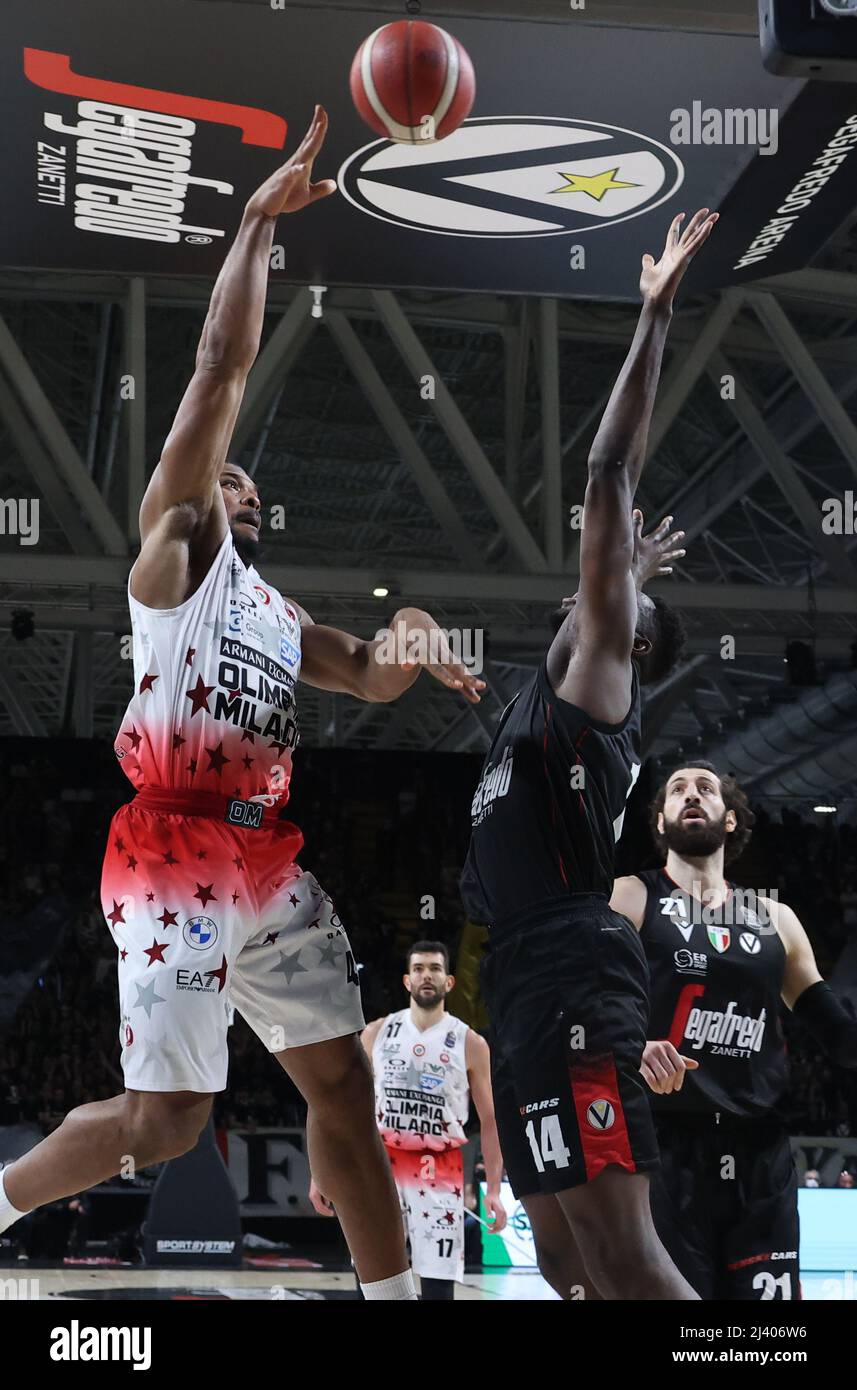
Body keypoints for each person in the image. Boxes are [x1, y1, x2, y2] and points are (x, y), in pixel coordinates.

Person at [0, 107, 484, 1303]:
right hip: (171, 849)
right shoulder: (175, 563)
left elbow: (370, 671)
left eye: (245, 478)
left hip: (265, 862)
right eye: (221, 469)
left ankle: (390, 1296)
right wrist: (256, 228)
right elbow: (218, 375)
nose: (238, 477)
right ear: (190, 489)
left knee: (341, 1088)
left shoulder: (276, 616)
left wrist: (414, 637)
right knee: (167, 1122)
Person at [458, 208, 718, 1301]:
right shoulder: (534, 697)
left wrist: (653, 315)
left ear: (628, 633)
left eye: (614, 595)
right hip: (518, 978)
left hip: (571, 972)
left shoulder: (598, 683)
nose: (595, 587)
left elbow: (608, 471)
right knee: (561, 1263)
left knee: (621, 1253)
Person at [608, 762, 857, 1299]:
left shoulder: (774, 916)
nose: (691, 795)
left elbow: (840, 1038)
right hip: (663, 1148)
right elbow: (574, 1004)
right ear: (659, 821)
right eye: (676, 790)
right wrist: (632, 1044)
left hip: (760, 1153)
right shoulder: (631, 896)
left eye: (705, 788)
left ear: (729, 820)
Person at [310, 941, 507, 1299]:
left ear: (449, 982)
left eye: (434, 968)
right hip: (379, 1163)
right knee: (372, 1274)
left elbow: (491, 1119)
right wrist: (321, 1174)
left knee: (436, 1283)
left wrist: (493, 1189)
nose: (426, 975)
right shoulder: (376, 1033)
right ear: (406, 980)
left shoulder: (470, 1042)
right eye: (418, 969)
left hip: (440, 1170)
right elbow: (341, 1105)